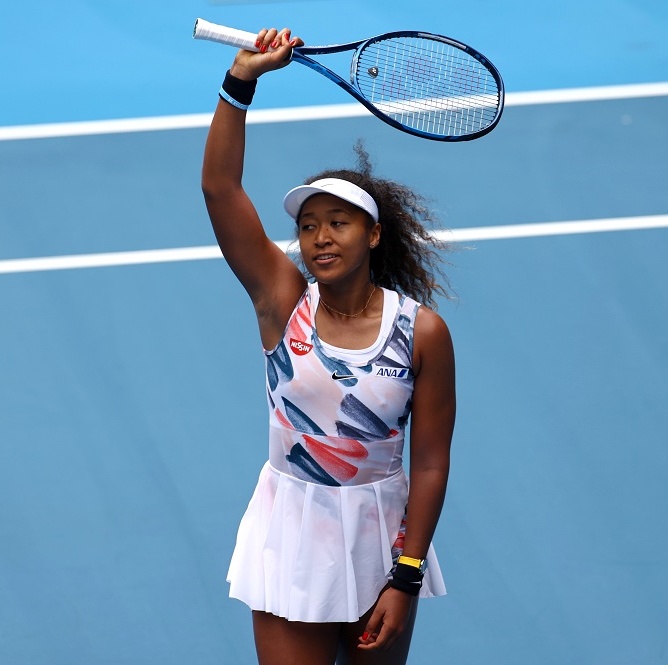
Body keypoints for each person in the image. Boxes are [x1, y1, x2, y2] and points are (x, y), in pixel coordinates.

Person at [201, 27, 457, 665]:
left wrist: (406, 575)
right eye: (307, 225)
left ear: (373, 236)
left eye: (338, 223)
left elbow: (428, 464)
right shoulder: (283, 301)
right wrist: (241, 82)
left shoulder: (421, 332)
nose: (319, 237)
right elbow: (220, 191)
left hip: (380, 538)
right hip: (294, 528)